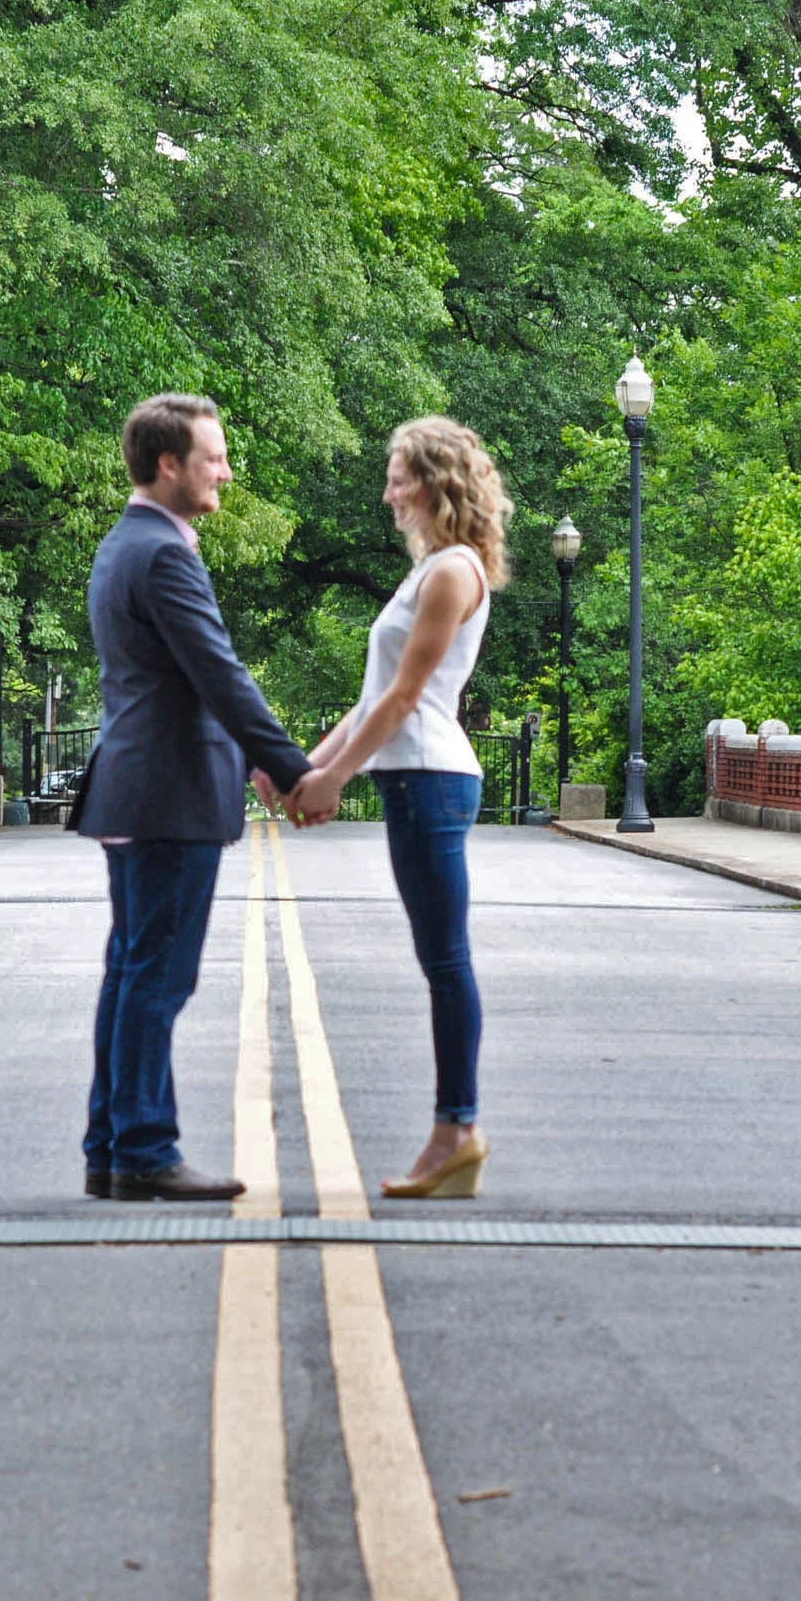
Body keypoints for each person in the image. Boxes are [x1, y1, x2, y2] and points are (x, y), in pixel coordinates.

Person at [76, 393, 314, 1202]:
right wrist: (291, 766)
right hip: (166, 792)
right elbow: (218, 671)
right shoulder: (165, 554)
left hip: (138, 786)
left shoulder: (125, 543)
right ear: (168, 463)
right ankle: (143, 1149)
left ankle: (111, 1148)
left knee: (133, 970)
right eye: (213, 457)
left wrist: (254, 757)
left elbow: (186, 676)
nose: (226, 470)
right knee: (157, 976)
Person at [268, 415, 512, 1199]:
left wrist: (335, 780)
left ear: (435, 481)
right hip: (415, 777)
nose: (386, 492)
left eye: (397, 476)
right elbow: (374, 696)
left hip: (433, 777)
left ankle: (457, 1132)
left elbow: (406, 698)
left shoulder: (452, 572)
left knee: (446, 959)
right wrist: (304, 767)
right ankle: (454, 1133)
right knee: (439, 958)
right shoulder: (432, 570)